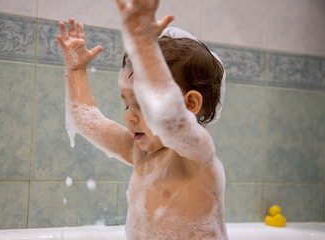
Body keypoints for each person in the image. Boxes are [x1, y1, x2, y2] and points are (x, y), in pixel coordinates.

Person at [57, 0, 228, 239]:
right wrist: (76, 71)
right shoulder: (139, 152)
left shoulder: (197, 154)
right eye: (127, 103)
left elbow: (172, 120)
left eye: (143, 104)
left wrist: (145, 47)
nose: (129, 115)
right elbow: (88, 120)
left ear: (190, 105)